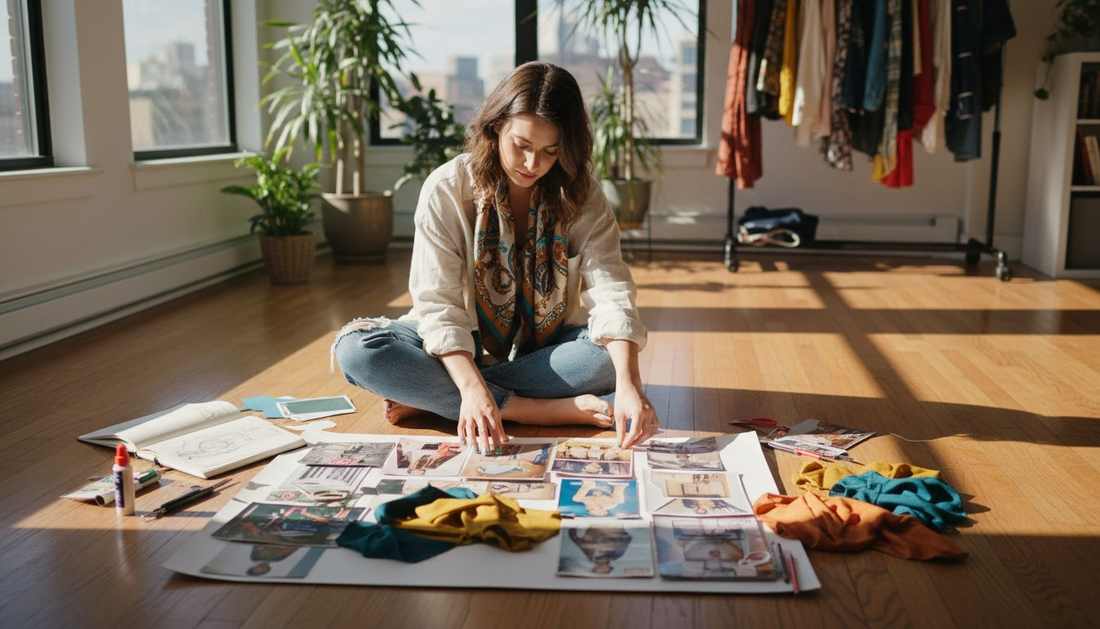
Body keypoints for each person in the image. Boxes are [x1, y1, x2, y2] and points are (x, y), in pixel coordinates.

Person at [333, 61, 658, 454]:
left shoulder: (581, 194)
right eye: (521, 145)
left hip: (543, 348)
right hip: (451, 340)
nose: (532, 164)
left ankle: (435, 396)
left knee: (607, 361)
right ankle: (528, 408)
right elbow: (438, 306)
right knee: (358, 352)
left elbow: (612, 289)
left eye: (549, 151)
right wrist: (470, 387)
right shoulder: (447, 188)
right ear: (495, 126)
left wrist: (630, 385)